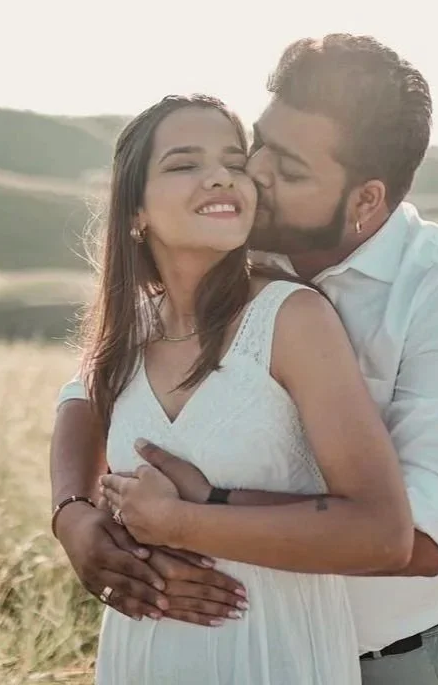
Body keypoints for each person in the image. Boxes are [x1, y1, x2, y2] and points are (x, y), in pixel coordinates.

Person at [54, 34, 438, 684]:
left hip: (398, 655)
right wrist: (73, 516)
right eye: (261, 144)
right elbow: (92, 387)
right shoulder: (225, 246)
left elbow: (416, 538)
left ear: (365, 200)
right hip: (218, 644)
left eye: (292, 170)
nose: (257, 175)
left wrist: (189, 517)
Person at [50, 92, 414, 684]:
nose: (220, 176)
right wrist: (71, 517)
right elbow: (78, 400)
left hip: (273, 658)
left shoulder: (291, 319)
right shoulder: (131, 328)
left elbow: (383, 535)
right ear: (135, 211)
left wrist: (178, 523)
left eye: (234, 162)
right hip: (141, 661)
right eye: (184, 163)